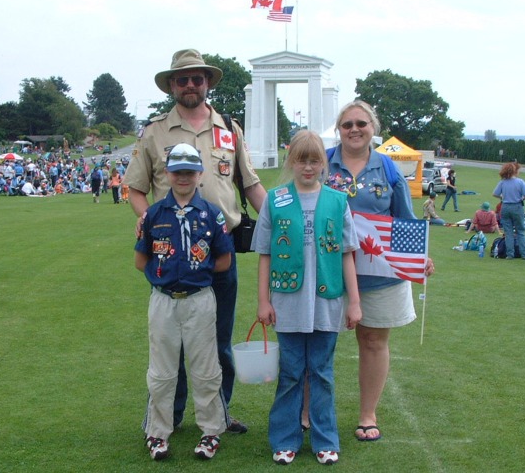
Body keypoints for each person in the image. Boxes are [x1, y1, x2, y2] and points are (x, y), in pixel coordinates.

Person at [123, 48, 266, 433]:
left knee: (218, 339)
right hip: (170, 254)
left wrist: (279, 221)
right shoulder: (154, 131)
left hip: (219, 252)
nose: (190, 85)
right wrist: (148, 221)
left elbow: (249, 184)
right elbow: (135, 188)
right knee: (173, 341)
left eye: (197, 78)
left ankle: (218, 411)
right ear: (172, 85)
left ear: (207, 83)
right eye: (182, 79)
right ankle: (171, 413)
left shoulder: (228, 128)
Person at [324, 100, 435, 441]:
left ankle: (367, 414)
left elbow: (405, 220)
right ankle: (307, 411)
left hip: (377, 274)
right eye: (347, 125)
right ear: (338, 129)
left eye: (361, 123)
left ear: (373, 128)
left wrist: (420, 257)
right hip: (326, 271)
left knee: (373, 341)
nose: (354, 130)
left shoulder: (388, 169)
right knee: (316, 343)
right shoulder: (321, 161)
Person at [252, 131, 361, 466]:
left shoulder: (337, 200)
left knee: (322, 372)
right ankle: (285, 439)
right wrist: (263, 301)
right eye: (302, 160)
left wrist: (354, 302)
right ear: (292, 162)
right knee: (291, 372)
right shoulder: (276, 199)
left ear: (323, 164)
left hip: (327, 302)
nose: (308, 167)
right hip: (287, 302)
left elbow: (346, 254)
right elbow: (265, 255)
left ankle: (325, 439)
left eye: (315, 160)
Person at [135, 143, 232, 461]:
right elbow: (140, 260)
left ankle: (211, 431)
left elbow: (224, 260)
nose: (183, 177)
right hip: (163, 301)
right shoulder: (152, 214)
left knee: (206, 370)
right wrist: (165, 276)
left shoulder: (211, 214)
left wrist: (195, 271)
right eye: (178, 171)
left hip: (199, 300)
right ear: (167, 174)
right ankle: (157, 433)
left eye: (190, 171)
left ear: (200, 174)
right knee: (162, 372)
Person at [492, 162, 525, 259]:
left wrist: (502, 197)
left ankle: (510, 254)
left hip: (505, 206)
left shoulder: (503, 182)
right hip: (517, 206)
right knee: (520, 231)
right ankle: (524, 254)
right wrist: (521, 198)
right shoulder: (520, 182)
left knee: (508, 232)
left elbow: (495, 193)